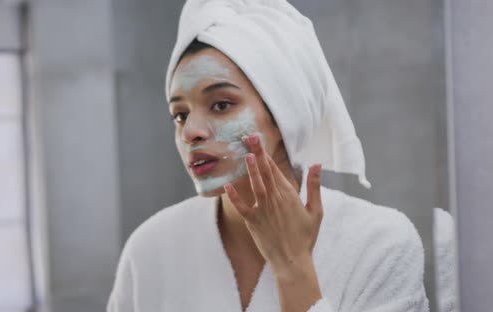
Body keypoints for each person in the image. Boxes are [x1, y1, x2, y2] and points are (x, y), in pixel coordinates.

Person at [107, 1, 441, 311]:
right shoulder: (149, 249)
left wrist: (291, 266)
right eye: (179, 114)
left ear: (284, 116)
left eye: (221, 105)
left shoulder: (380, 245)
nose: (189, 131)